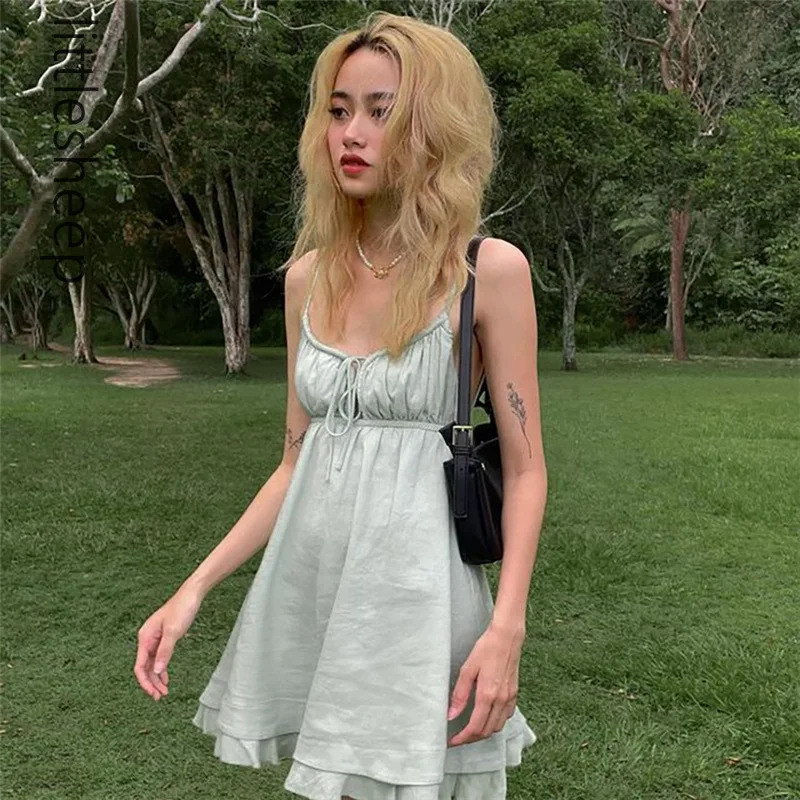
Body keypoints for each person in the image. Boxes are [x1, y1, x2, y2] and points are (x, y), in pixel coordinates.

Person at [134, 11, 547, 800]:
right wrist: (193, 588)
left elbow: (526, 471)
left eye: (381, 112)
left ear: (433, 126)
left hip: (421, 602)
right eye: (338, 110)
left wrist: (508, 628)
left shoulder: (487, 271)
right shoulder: (307, 278)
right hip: (315, 590)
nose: (352, 134)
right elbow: (295, 461)